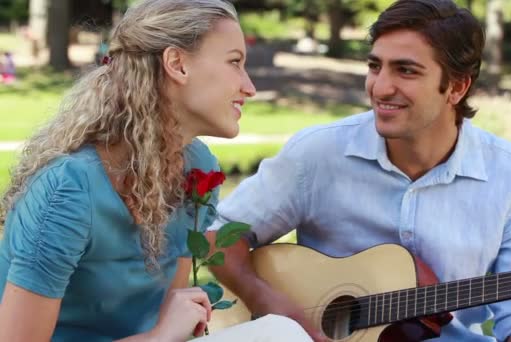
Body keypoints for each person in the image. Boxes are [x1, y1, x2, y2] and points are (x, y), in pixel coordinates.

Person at [206, 0, 511, 341]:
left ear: (457, 87)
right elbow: (218, 236)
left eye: (406, 71)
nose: (380, 87)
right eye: (376, 66)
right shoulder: (318, 154)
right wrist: (273, 306)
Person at [0, 1, 312, 341]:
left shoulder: (199, 169)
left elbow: (171, 314)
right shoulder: (68, 190)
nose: (249, 87)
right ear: (177, 64)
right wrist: (159, 336)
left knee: (281, 332)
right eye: (234, 62)